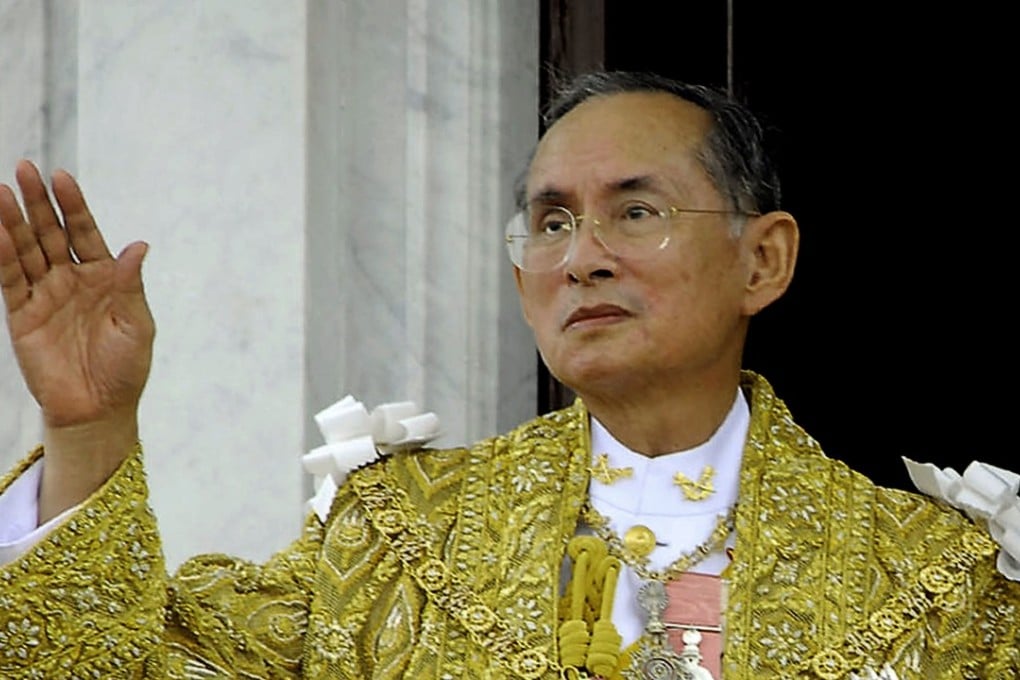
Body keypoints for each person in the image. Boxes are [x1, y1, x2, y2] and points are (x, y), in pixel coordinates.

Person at [0, 70, 1017, 679]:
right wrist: (90, 427)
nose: (583, 255)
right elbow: (121, 659)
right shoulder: (393, 536)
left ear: (765, 259)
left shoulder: (934, 576)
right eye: (552, 220)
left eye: (636, 210)